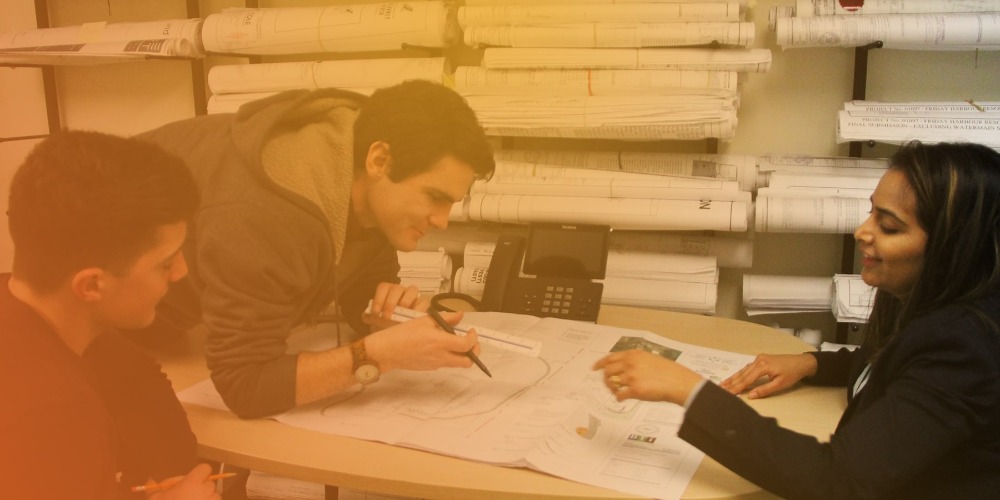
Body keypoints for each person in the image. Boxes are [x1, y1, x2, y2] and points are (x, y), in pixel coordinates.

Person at [594, 141, 1000, 499]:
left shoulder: (963, 346)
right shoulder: (917, 293)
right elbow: (890, 362)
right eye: (871, 212)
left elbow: (838, 480)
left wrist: (690, 391)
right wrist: (814, 363)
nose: (862, 232)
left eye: (889, 226)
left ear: (951, 248)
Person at [137, 80, 496, 418]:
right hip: (101, 323)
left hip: (163, 324)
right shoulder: (269, 215)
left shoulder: (362, 192)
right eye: (434, 197)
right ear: (380, 161)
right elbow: (245, 386)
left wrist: (386, 315)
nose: (442, 221)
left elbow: (360, 293)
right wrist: (381, 354)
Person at [0, 131, 220, 499]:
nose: (181, 271)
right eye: (164, 263)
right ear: (91, 286)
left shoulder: (40, 318)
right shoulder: (53, 412)